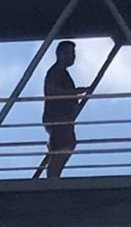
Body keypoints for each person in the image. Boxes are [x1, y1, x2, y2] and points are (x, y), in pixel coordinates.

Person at [42, 41, 87, 179]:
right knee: (66, 144)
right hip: (58, 118)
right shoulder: (55, 72)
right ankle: (53, 177)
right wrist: (74, 93)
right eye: (70, 53)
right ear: (61, 54)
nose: (73, 57)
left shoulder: (62, 73)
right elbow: (51, 91)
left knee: (62, 145)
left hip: (62, 118)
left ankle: (53, 175)